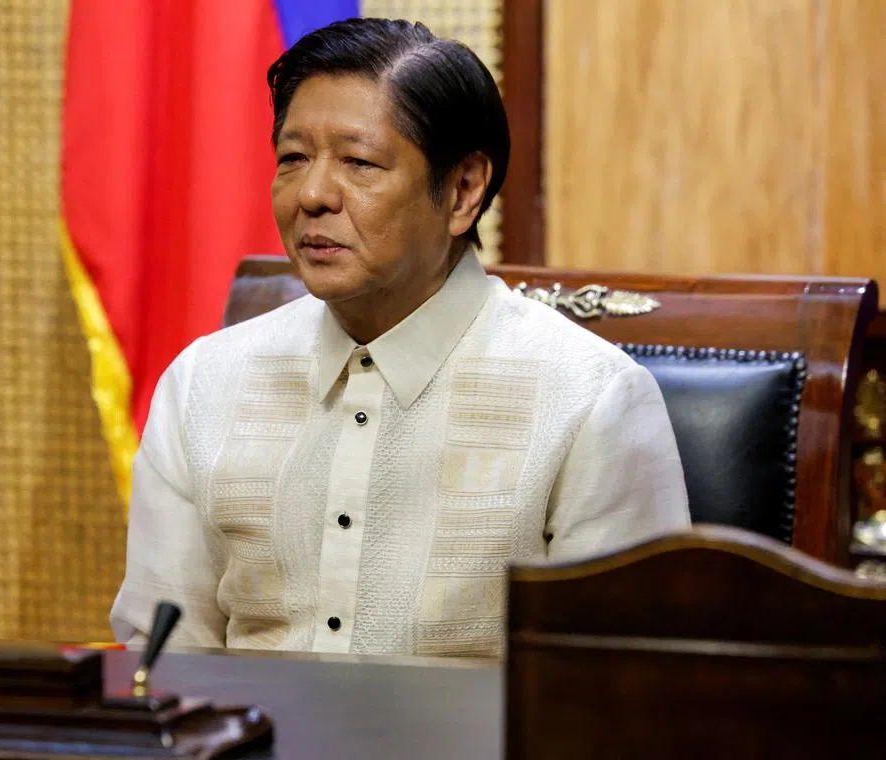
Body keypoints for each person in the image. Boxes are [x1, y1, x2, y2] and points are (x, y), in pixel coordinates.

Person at [110, 18, 690, 658]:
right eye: (293, 159)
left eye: (358, 162)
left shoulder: (591, 400)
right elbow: (164, 659)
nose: (312, 194)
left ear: (463, 191)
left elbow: (619, 685)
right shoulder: (204, 383)